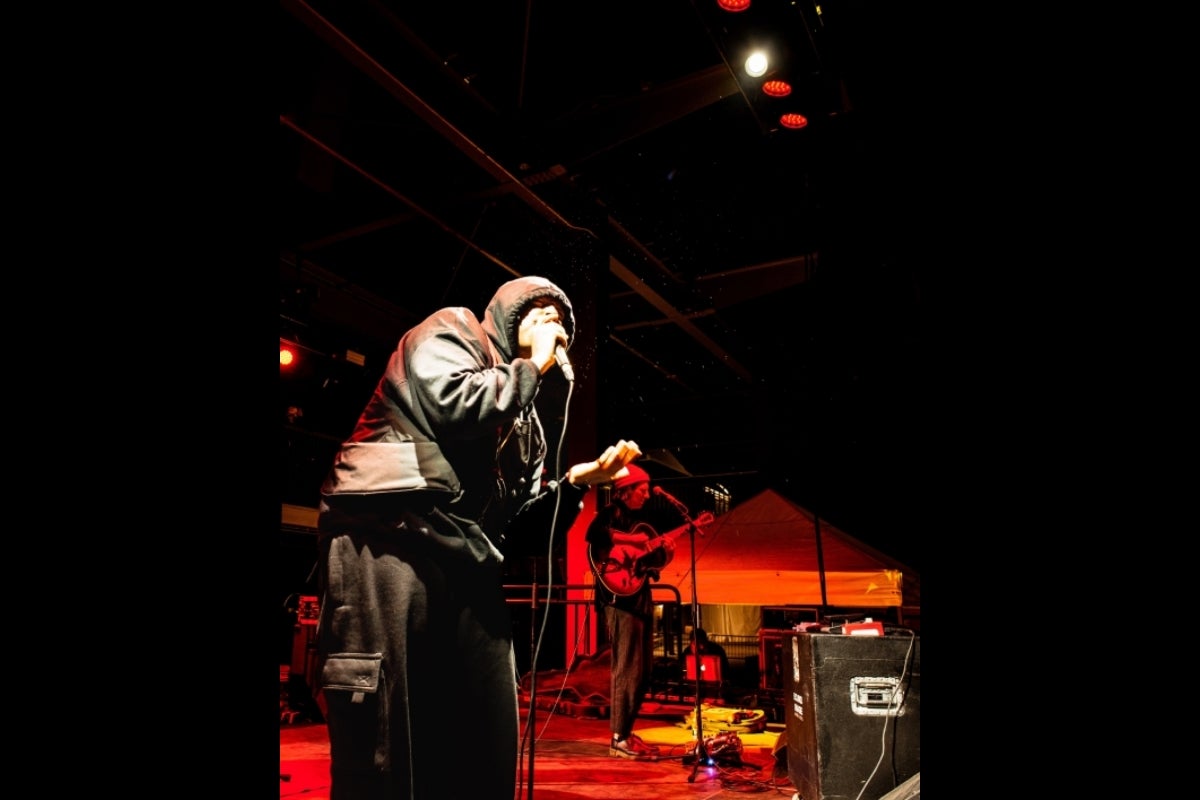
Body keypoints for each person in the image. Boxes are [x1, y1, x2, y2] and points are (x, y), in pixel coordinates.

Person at [314, 275, 643, 800]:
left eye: (559, 317)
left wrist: (577, 484)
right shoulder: (452, 330)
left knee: (484, 724)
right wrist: (531, 367)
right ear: (508, 316)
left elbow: (518, 522)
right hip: (389, 533)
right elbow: (453, 403)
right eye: (537, 309)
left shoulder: (526, 416)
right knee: (384, 725)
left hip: (464, 554)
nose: (550, 319)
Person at [585, 463, 674, 760]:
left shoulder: (642, 521)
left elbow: (649, 564)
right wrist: (629, 540)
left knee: (643, 668)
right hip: (619, 600)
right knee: (627, 668)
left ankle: (625, 731)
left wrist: (664, 552)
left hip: (639, 598)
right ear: (625, 491)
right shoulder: (612, 514)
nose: (647, 495)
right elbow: (594, 533)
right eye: (642, 489)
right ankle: (617, 738)